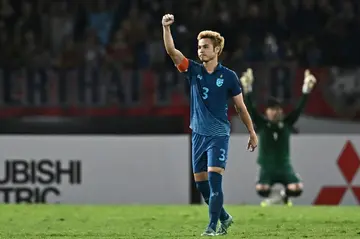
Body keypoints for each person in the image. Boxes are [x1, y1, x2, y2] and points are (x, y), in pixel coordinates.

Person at [162, 14, 258, 236]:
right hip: (198, 135)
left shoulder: (230, 77)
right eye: (199, 46)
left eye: (205, 47)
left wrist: (252, 132)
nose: (201, 50)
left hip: (218, 135)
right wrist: (166, 28)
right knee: (202, 186)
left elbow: (240, 108)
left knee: (215, 184)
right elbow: (172, 52)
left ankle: (212, 227)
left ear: (217, 51)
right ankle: (224, 217)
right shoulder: (193, 70)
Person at [239, 68, 316, 207]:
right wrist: (247, 89)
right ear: (267, 112)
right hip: (267, 167)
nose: (275, 112)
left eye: (277, 109)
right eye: (272, 110)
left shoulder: (287, 123)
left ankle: (284, 197)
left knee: (297, 189)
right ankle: (274, 198)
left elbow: (299, 109)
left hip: (284, 166)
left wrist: (306, 90)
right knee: (261, 189)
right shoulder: (262, 124)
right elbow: (251, 109)